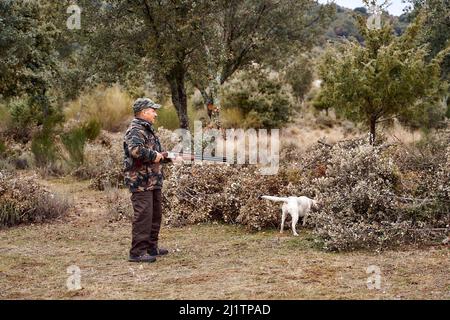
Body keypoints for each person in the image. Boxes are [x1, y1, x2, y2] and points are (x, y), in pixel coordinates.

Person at [123, 97, 171, 263]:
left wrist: (166, 156)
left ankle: (151, 247)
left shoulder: (147, 129)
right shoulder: (135, 130)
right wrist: (155, 155)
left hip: (153, 180)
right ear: (143, 112)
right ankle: (137, 252)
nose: (155, 114)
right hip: (140, 181)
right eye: (153, 110)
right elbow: (135, 151)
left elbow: (155, 153)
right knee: (143, 215)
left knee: (155, 215)